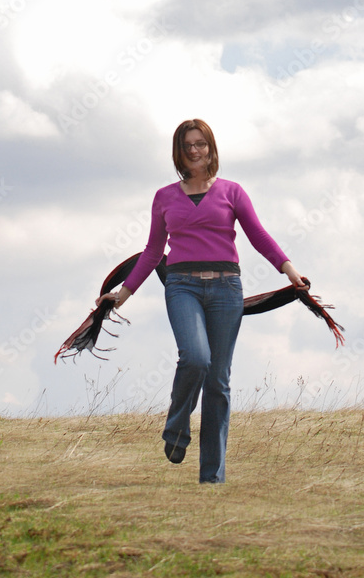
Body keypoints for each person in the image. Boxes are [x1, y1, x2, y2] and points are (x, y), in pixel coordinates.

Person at [96, 119, 307, 484]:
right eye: (187, 145)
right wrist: (123, 295)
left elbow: (258, 235)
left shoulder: (232, 192)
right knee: (195, 358)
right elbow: (152, 251)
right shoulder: (164, 197)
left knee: (218, 382)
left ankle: (212, 478)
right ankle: (177, 428)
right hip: (182, 286)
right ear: (178, 153)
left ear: (211, 147)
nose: (194, 150)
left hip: (226, 289)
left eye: (200, 143)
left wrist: (289, 271)